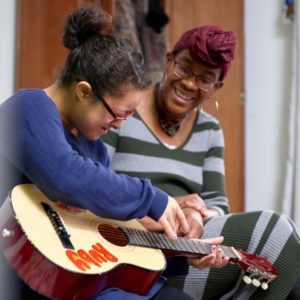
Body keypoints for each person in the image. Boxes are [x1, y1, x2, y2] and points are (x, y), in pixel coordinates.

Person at [0, 6, 230, 300]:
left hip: (85, 272)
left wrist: (182, 256)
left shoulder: (94, 146)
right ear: (84, 91)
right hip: (32, 276)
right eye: (118, 114)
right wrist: (152, 198)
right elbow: (66, 177)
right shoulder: (27, 108)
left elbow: (104, 235)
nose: (119, 125)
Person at [101, 25, 300, 299]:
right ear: (169, 61)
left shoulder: (209, 130)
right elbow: (97, 183)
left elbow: (218, 203)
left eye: (205, 79)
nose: (190, 84)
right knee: (278, 231)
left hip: (191, 252)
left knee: (284, 270)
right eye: (184, 68)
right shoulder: (125, 109)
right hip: (132, 241)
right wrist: (168, 208)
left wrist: (196, 215)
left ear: (216, 87)